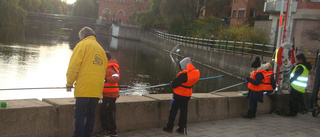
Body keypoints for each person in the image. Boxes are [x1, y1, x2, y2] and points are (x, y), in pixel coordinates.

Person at [66, 26, 108, 137]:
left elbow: (73, 66)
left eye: (80, 37)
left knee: (79, 114)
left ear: (83, 35)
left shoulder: (82, 45)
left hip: (84, 88)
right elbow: (104, 69)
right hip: (96, 89)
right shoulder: (101, 50)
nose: (80, 39)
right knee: (91, 114)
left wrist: (69, 83)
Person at [163, 57, 200, 134]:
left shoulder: (183, 75)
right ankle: (181, 128)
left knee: (173, 111)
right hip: (187, 96)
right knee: (184, 112)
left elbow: (174, 85)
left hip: (178, 96)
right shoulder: (194, 74)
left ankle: (169, 127)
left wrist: (171, 83)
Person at [96, 52, 120, 137]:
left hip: (110, 93)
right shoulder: (109, 66)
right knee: (108, 112)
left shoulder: (110, 67)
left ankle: (107, 131)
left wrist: (106, 80)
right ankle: (113, 130)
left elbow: (116, 77)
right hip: (109, 93)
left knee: (104, 112)